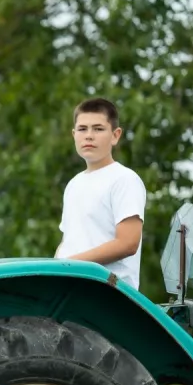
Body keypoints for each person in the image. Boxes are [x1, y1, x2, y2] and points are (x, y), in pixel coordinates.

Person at [54, 97, 146, 289]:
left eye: (98, 129)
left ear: (115, 135)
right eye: (82, 129)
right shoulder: (74, 184)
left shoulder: (124, 179)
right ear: (74, 134)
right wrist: (54, 269)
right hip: (72, 288)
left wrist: (70, 265)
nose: (89, 136)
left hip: (108, 293)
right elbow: (67, 242)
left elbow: (127, 243)